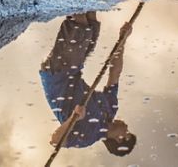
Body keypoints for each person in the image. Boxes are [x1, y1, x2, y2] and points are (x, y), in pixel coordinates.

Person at [40, 14, 137, 157]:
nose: (127, 128)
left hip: (58, 75)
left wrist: (74, 118)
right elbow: (115, 73)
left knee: (81, 25)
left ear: (118, 139)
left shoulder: (87, 137)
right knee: (92, 24)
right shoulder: (111, 109)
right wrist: (123, 39)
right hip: (73, 70)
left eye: (127, 134)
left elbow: (55, 141)